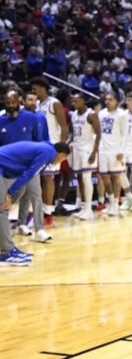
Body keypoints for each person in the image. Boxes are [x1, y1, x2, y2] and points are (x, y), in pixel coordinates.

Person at [1, 141, 69, 266]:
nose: (61, 161)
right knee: (2, 209)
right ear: (61, 154)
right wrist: (9, 193)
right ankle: (6, 252)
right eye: (63, 159)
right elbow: (29, 174)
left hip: (4, 168)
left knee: (5, 206)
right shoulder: (48, 153)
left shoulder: (46, 149)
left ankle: (8, 248)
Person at [1, 87, 51, 243]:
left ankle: (39, 229)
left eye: (13, 102)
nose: (10, 105)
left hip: (29, 165)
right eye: (7, 103)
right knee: (9, 199)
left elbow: (40, 141)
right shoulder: (1, 120)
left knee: (35, 195)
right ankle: (18, 225)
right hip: (9, 168)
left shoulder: (31, 118)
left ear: (19, 101)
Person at [30, 78, 68, 225]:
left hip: (52, 146)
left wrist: (62, 147)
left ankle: (48, 212)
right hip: (38, 147)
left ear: (43, 88)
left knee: (48, 178)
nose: (33, 92)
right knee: (39, 179)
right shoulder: (36, 104)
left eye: (35, 89)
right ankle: (41, 210)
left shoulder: (54, 103)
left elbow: (64, 126)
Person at [95, 93, 128, 217]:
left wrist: (121, 151)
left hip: (115, 150)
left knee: (116, 177)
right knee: (104, 177)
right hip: (103, 150)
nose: (107, 101)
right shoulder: (101, 113)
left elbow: (125, 134)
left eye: (111, 99)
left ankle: (115, 204)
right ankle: (110, 201)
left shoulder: (122, 115)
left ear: (116, 101)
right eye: (106, 99)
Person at [68, 93, 100, 221]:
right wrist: (67, 143)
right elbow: (73, 133)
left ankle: (88, 209)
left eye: (76, 101)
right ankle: (83, 206)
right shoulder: (74, 114)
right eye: (73, 101)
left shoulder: (91, 114)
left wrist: (94, 152)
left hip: (88, 149)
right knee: (80, 177)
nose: (73, 103)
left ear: (83, 101)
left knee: (87, 177)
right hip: (77, 148)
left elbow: (98, 134)